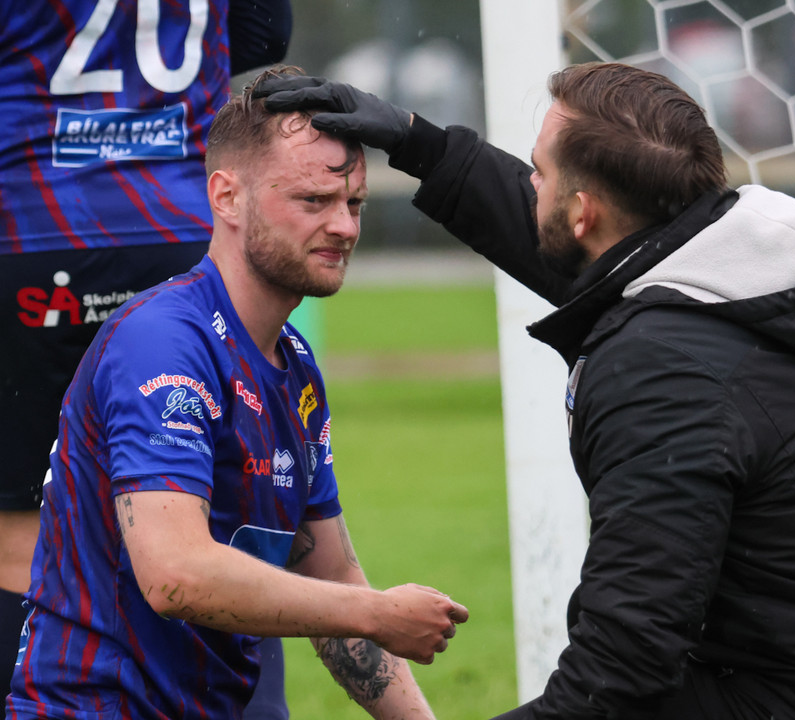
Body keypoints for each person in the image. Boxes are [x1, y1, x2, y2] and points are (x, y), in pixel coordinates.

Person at [253, 62, 795, 719]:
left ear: (584, 213)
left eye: (539, 171)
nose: (529, 183)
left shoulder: (663, 375)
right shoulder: (738, 271)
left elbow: (624, 668)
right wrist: (417, 141)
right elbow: (576, 245)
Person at [5, 64, 467, 720]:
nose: (344, 227)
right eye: (314, 201)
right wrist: (375, 612)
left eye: (354, 204)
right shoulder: (163, 342)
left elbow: (331, 574)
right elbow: (176, 576)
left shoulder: (295, 366)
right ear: (226, 197)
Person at [0, 0, 294, 711]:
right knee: (224, 516)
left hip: (34, 227)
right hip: (181, 225)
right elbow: (264, 32)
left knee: (19, 532)